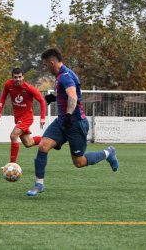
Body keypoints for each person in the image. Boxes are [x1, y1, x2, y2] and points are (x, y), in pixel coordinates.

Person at [26, 48, 119, 197]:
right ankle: (39, 184)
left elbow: (73, 96)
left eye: (45, 65)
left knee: (79, 162)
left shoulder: (66, 76)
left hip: (75, 123)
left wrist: (69, 114)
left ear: (52, 62)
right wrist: (55, 98)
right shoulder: (60, 76)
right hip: (62, 122)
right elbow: (67, 94)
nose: (45, 68)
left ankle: (108, 153)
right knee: (43, 146)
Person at [0, 67, 46, 166]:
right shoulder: (8, 85)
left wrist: (42, 117)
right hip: (18, 118)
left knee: (13, 135)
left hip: (27, 117)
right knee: (28, 143)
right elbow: (3, 97)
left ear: (23, 77)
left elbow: (42, 101)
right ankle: (49, 139)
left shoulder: (29, 88)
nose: (18, 79)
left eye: (19, 77)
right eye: (15, 77)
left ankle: (12, 165)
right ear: (12, 78)